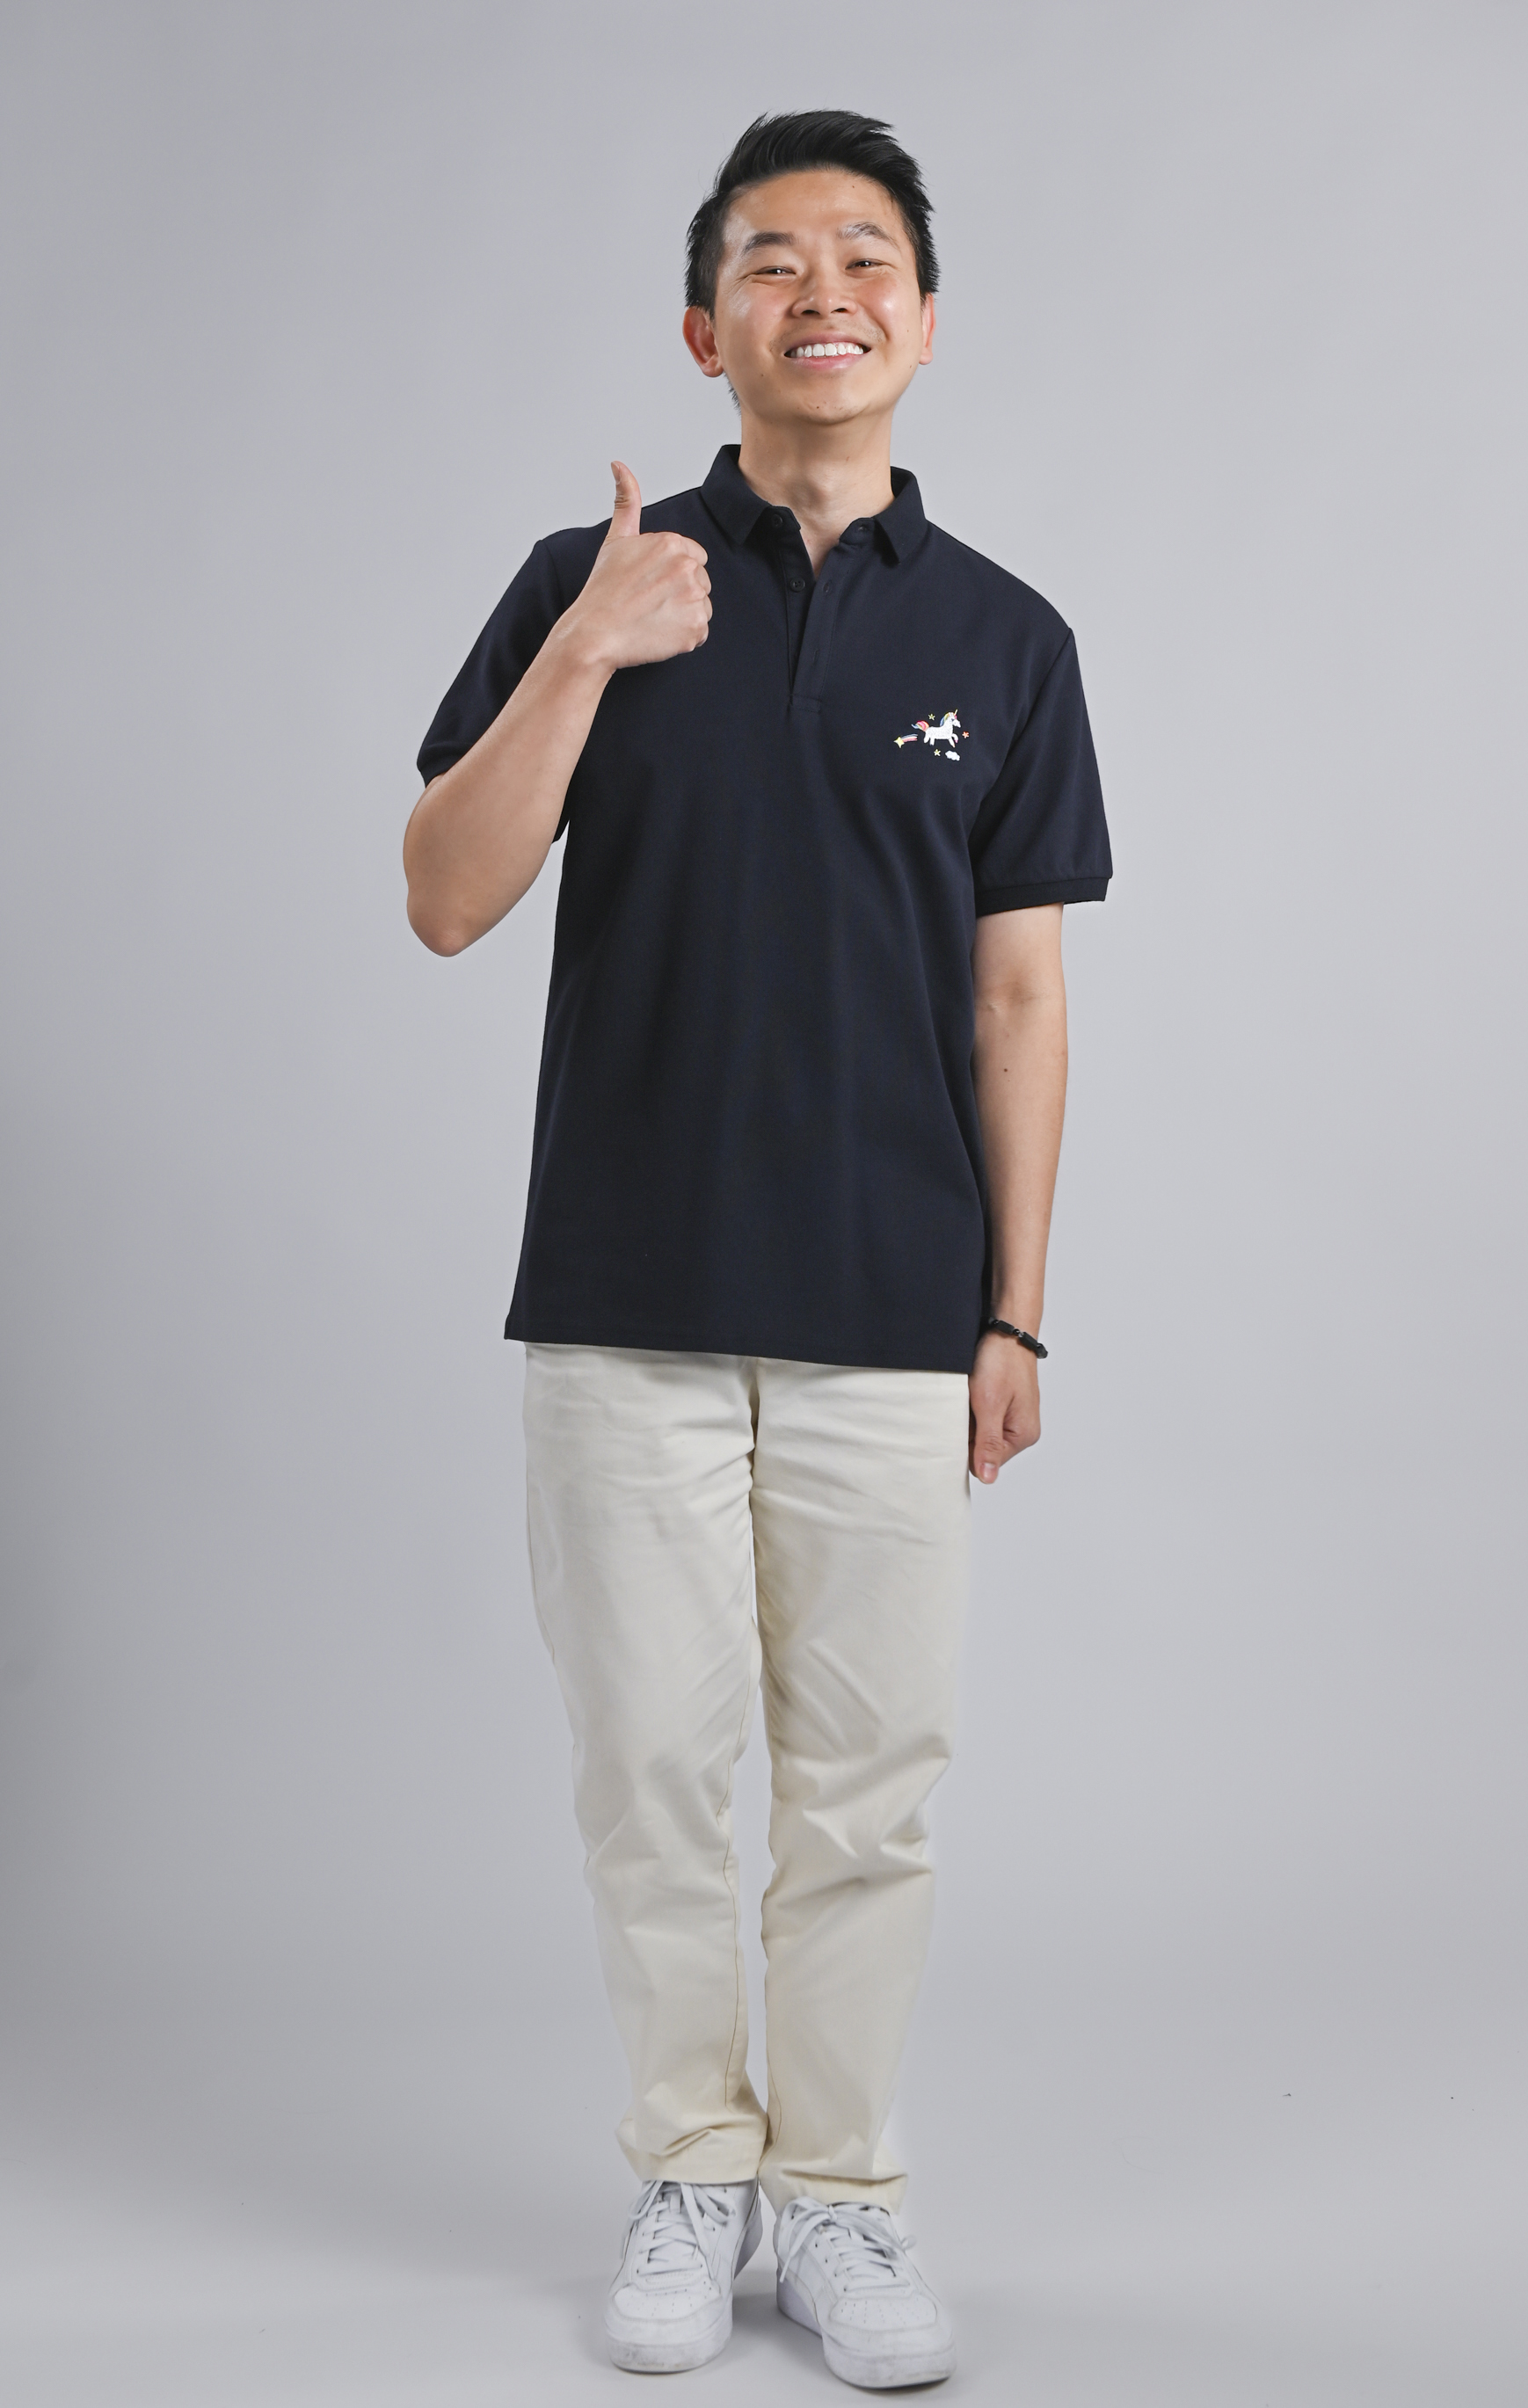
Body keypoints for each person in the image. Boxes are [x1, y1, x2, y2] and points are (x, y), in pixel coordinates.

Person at [404, 109, 1110, 2391]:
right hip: (623, 1299)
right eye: (774, 259)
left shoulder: (1004, 637)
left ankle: (842, 2202)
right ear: (705, 327)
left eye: (866, 255)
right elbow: (443, 896)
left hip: (894, 1312)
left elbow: (1020, 999)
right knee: (652, 1772)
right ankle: (692, 2172)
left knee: (870, 1786)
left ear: (924, 318)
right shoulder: (588, 577)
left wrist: (1013, 1308)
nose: (824, 290)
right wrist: (586, 656)